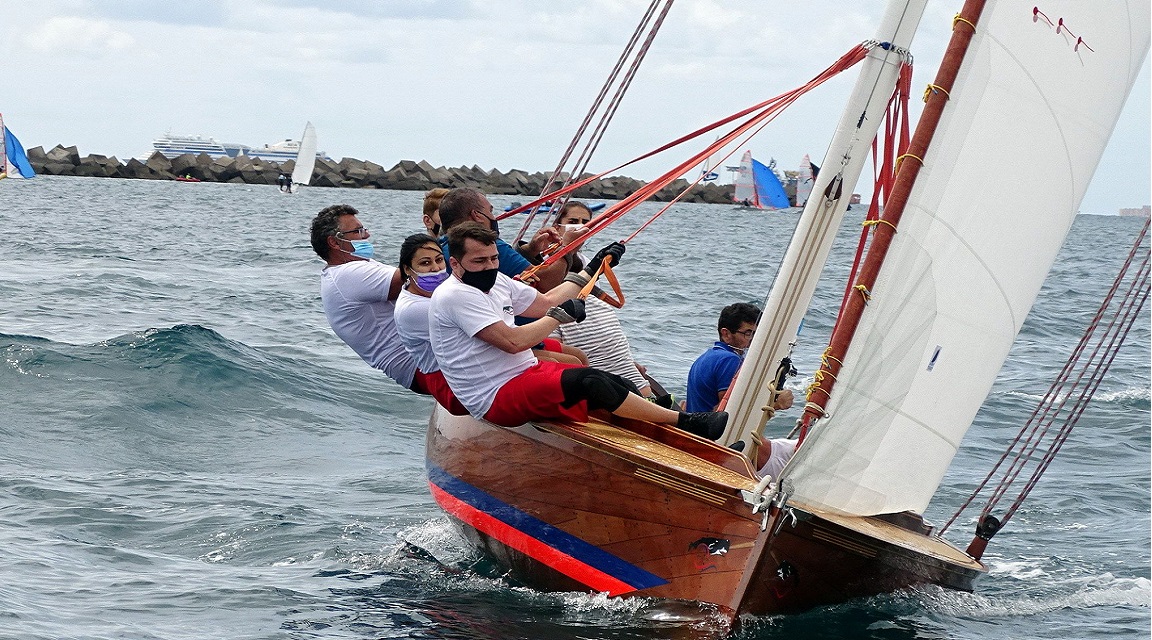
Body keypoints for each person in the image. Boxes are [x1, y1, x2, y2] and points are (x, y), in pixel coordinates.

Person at [429, 222, 728, 438]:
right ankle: (686, 422)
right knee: (589, 381)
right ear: (455, 264)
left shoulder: (497, 280)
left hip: (524, 374)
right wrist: (559, 317)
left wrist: (592, 268)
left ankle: (684, 439)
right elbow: (513, 341)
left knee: (614, 382)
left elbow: (544, 301)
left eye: (494, 259)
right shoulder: (455, 295)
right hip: (494, 395)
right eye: (479, 261)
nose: (490, 266)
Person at [310, 204, 421, 394]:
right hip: (419, 369)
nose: (367, 235)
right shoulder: (348, 274)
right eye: (358, 231)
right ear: (334, 243)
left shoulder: (352, 267)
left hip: (419, 364)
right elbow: (421, 277)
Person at [436, 187, 574, 292]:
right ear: (477, 215)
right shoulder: (484, 246)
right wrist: (568, 247)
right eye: (490, 211)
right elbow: (545, 284)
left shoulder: (441, 247)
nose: (493, 217)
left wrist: (530, 250)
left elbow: (507, 268)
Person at [392, 233, 469, 415]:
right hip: (451, 385)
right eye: (425, 263)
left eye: (439, 260)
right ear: (408, 269)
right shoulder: (413, 309)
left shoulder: (437, 292)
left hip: (463, 372)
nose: (436, 268)